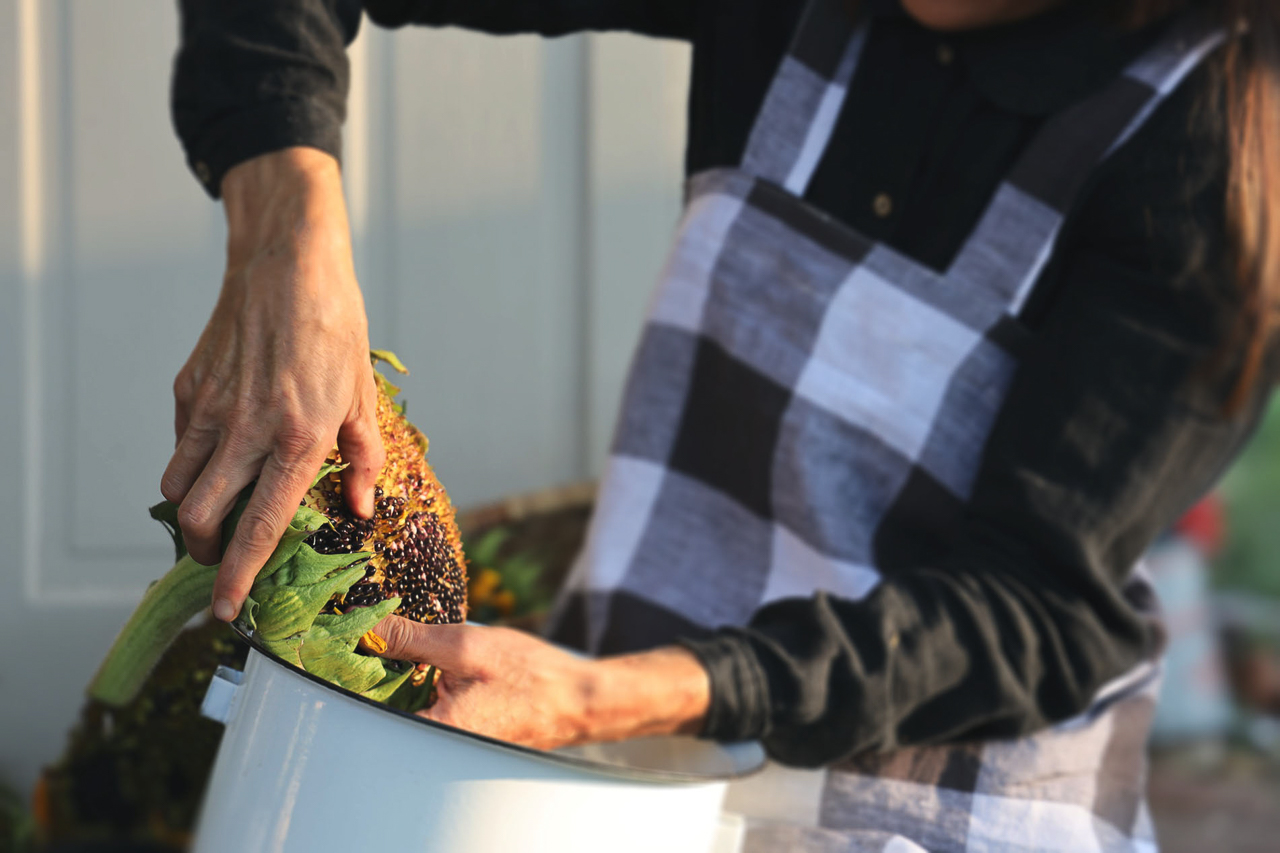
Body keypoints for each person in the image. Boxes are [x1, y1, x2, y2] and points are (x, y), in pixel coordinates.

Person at [166, 0, 1278, 849]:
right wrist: (287, 245)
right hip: (631, 769)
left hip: (944, 802)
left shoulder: (1200, 150)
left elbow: (1034, 613)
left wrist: (610, 692)